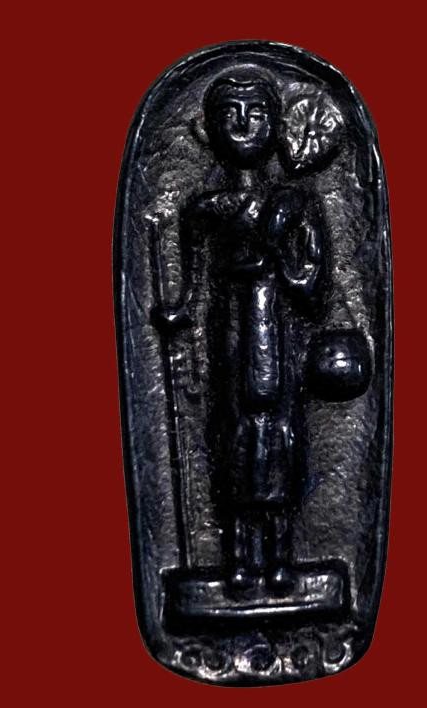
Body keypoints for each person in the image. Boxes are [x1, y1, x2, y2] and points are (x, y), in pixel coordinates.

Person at [153, 71, 326, 592]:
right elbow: (188, 283)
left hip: (277, 336)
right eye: (230, 115)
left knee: (279, 434)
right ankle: (238, 557)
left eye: (256, 114)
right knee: (232, 435)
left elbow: (312, 288)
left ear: (276, 125)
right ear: (209, 129)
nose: (244, 125)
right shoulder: (206, 209)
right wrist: (178, 309)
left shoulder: (295, 204)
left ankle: (280, 555)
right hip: (229, 332)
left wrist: (285, 263)